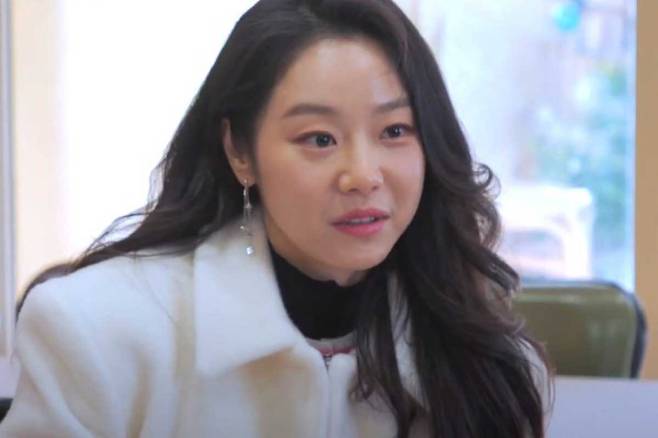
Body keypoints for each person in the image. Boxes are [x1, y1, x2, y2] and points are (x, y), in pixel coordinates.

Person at [0, 0, 552, 436]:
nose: (363, 175)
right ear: (240, 152)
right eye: (319, 138)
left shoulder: (490, 362)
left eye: (394, 131)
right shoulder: (97, 333)